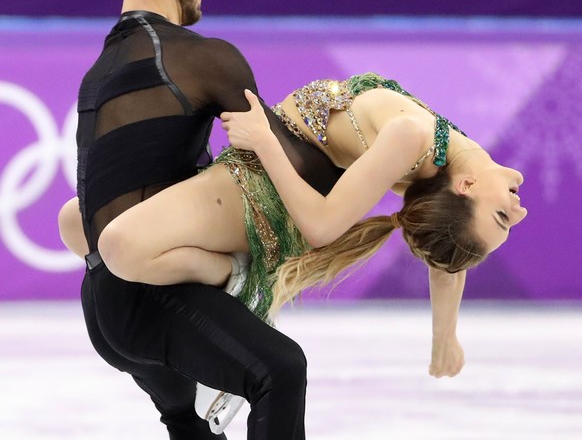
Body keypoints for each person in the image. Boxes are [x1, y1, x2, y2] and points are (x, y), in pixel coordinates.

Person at [70, 0, 345, 440]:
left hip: (101, 303)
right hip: (151, 302)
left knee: (190, 424)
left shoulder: (98, 73)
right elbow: (294, 168)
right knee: (279, 370)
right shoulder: (202, 59)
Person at [61, 72, 527, 389]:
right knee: (74, 222)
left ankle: (236, 276)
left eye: (504, 216)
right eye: (505, 218)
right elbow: (451, 246)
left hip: (266, 189)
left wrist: (265, 142)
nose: (518, 211)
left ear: (465, 188)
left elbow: (324, 226)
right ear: (463, 186)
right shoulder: (457, 160)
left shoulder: (414, 141)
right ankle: (214, 297)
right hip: (254, 171)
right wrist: (444, 340)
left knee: (120, 246)